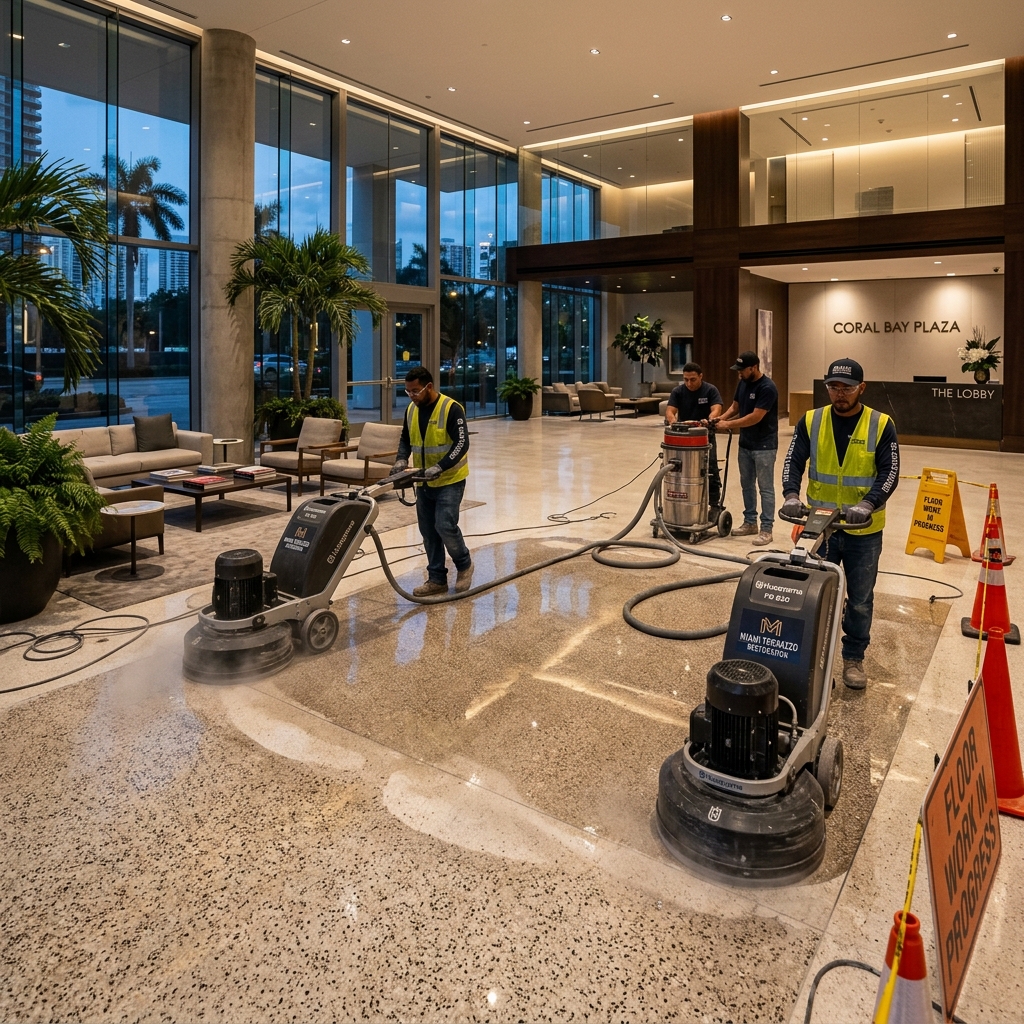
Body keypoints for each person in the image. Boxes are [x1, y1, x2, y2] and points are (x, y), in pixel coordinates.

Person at [780, 357, 900, 690]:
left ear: (861, 388)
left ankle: (853, 658)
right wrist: (791, 495)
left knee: (860, 598)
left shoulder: (880, 423)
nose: (840, 393)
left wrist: (868, 504)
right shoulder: (811, 420)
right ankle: (814, 661)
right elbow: (793, 459)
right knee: (815, 595)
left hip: (864, 529)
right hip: (821, 527)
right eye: (834, 386)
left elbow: (890, 472)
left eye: (847, 387)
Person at [392, 366, 473, 596]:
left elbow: (462, 443)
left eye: (415, 391)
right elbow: (405, 439)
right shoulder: (411, 409)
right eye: (408, 391)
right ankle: (437, 579)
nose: (412, 396)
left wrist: (440, 466)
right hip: (423, 480)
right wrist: (400, 459)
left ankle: (464, 564)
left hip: (450, 479)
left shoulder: (451, 408)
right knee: (428, 531)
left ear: (429, 387)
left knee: (444, 526)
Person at [711, 351, 779, 546]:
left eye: (742, 370)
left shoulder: (767, 387)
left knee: (765, 488)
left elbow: (756, 417)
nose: (739, 373)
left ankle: (766, 529)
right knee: (747, 485)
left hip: (764, 445)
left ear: (754, 367)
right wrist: (719, 419)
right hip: (746, 444)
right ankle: (750, 523)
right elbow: (735, 407)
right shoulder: (743, 382)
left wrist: (728, 426)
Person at [665, 362, 724, 507]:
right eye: (685, 380)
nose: (689, 383)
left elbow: (717, 408)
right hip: (684, 436)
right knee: (682, 469)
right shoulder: (678, 391)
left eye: (692, 379)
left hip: (704, 435)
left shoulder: (710, 390)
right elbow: (670, 411)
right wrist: (673, 421)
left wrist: (709, 420)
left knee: (710, 467)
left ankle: (714, 504)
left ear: (701, 377)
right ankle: (685, 500)